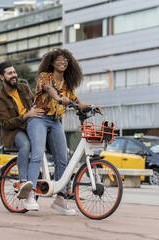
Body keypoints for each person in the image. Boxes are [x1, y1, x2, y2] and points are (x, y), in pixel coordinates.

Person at [24, 48, 101, 215]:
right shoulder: (45, 76)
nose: (63, 62)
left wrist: (91, 107)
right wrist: (59, 98)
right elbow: (49, 90)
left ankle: (60, 199)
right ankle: (30, 194)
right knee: (37, 154)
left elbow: (76, 102)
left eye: (66, 60)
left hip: (55, 121)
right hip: (39, 118)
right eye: (59, 59)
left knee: (63, 159)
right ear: (52, 62)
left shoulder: (67, 84)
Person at [0, 62, 44, 199]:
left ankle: (65, 188)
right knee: (25, 145)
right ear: (1, 77)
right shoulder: (0, 100)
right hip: (14, 132)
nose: (14, 75)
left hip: (31, 126)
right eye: (10, 73)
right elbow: (6, 124)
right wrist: (26, 116)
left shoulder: (23, 88)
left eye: (14, 72)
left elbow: (35, 103)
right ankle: (23, 181)